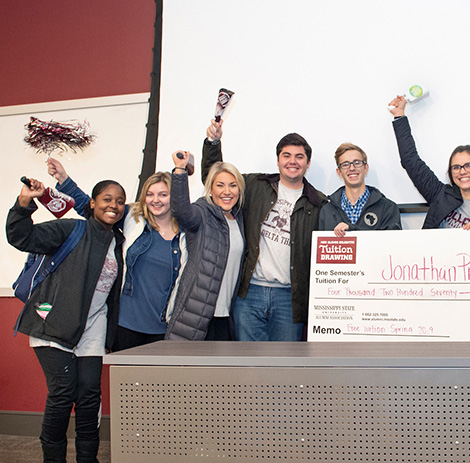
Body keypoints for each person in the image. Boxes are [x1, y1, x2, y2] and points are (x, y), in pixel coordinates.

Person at [6, 177, 126, 463]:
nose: (113, 206)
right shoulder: (71, 229)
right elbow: (21, 236)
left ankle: (87, 461)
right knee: (62, 394)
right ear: (93, 203)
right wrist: (23, 204)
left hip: (92, 326)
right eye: (107, 199)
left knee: (89, 395)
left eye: (119, 201)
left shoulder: (117, 241)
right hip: (53, 322)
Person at [203, 121, 327, 341]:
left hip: (290, 298)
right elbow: (216, 178)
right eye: (286, 155)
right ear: (278, 160)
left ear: (307, 163)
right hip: (250, 293)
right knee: (249, 367)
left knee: (284, 368)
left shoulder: (318, 203)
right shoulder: (255, 186)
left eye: (299, 156)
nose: (292, 161)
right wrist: (213, 143)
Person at [47, 159, 187, 351]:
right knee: (127, 380)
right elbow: (91, 208)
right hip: (125, 323)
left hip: (163, 326)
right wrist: (64, 179)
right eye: (150, 194)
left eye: (163, 194)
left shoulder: (186, 233)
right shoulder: (133, 217)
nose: (156, 200)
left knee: (157, 381)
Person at [388, 95, 470, 229]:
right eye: (456, 167)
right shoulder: (440, 195)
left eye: (469, 165)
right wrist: (399, 116)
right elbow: (410, 160)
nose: (463, 171)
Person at [166, 150, 245, 341]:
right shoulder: (201, 213)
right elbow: (181, 211)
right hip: (196, 316)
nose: (227, 191)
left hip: (227, 317)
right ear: (210, 189)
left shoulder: (239, 218)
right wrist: (180, 170)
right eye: (220, 185)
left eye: (233, 186)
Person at [319, 142, 402, 235]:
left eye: (357, 163)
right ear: (339, 172)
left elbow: (392, 245)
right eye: (345, 164)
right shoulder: (327, 211)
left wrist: (353, 229)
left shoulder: (388, 208)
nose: (352, 168)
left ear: (366, 168)